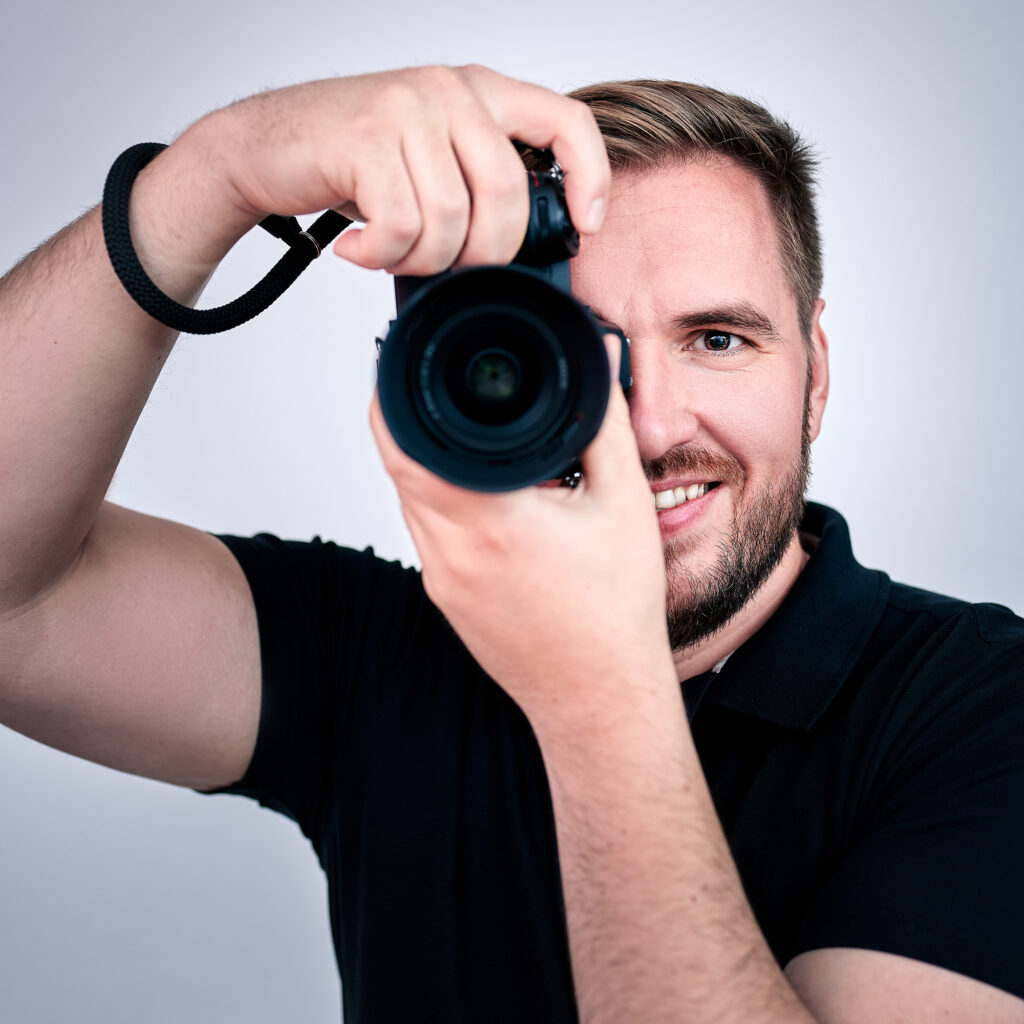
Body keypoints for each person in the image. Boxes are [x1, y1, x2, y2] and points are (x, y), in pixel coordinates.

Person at [0, 64, 1021, 1023]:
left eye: (717, 339)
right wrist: (212, 174)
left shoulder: (983, 708)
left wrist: (594, 694)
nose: (650, 427)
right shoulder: (383, 656)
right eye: (580, 347)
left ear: (815, 373)